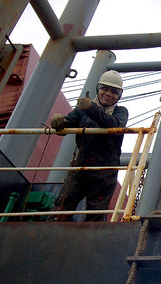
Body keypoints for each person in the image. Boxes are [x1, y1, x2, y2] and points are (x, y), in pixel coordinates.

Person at [49, 70, 129, 221]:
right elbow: (66, 125)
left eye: (114, 91)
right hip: (80, 168)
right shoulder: (81, 110)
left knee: (95, 216)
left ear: (119, 96)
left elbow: (114, 126)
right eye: (105, 89)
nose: (108, 94)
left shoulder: (120, 112)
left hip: (105, 172)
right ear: (98, 89)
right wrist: (59, 122)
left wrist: (91, 108)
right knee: (61, 209)